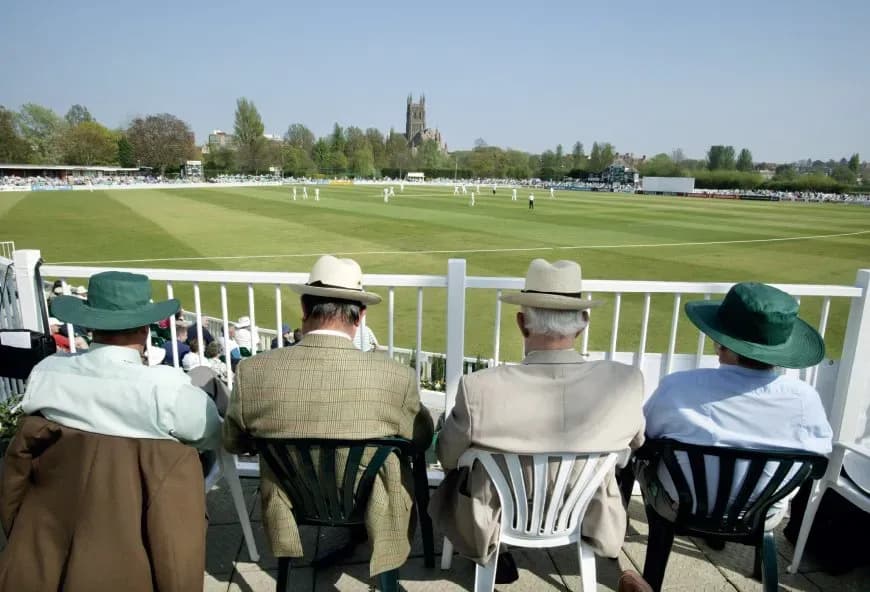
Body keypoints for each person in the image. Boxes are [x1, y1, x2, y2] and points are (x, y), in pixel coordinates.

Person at [430, 259, 645, 583]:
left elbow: (446, 456)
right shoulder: (625, 383)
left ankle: (494, 551)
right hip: (582, 509)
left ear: (521, 322)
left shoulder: (480, 388)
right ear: (583, 322)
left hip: (496, 513)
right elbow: (636, 444)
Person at [1, 272, 218, 591]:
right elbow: (212, 435)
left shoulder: (47, 374)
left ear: (91, 325)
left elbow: (17, 469)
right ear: (145, 330)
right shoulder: (168, 392)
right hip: (140, 541)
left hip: (47, 535)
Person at [224, 255, 434, 579]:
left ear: (305, 309)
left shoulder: (253, 372)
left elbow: (234, 443)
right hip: (371, 498)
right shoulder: (396, 377)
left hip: (295, 496)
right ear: (360, 316)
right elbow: (419, 441)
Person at [642, 282, 832, 531]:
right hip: (760, 513)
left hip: (681, 505)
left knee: (640, 460)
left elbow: (645, 435)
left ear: (724, 346)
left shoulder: (679, 386)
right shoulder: (804, 399)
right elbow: (817, 456)